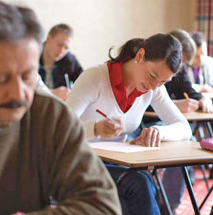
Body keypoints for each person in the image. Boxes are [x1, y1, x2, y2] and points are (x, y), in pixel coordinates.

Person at [0, 1, 122, 214]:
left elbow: (102, 206)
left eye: (27, 76)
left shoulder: (49, 117)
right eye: (1, 78)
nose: (19, 94)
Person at [66, 33, 192, 215]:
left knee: (142, 188)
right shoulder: (96, 77)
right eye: (152, 76)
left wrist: (158, 132)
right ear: (140, 56)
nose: (154, 86)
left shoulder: (153, 88)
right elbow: (59, 129)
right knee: (141, 185)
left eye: (163, 82)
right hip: (77, 163)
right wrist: (95, 129)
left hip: (116, 165)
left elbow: (184, 127)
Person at [161, 29, 213, 215]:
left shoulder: (179, 69)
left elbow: (188, 89)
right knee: (181, 147)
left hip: (167, 121)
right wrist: (176, 105)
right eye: (179, 60)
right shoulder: (154, 66)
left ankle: (167, 205)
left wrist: (202, 99)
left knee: (186, 142)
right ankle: (167, 204)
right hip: (148, 122)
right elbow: (142, 104)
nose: (178, 67)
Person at [39, 23, 83, 99]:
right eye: (59, 45)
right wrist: (51, 93)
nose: (61, 51)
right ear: (48, 38)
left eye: (66, 48)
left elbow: (84, 84)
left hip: (60, 108)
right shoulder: (31, 55)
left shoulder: (70, 60)